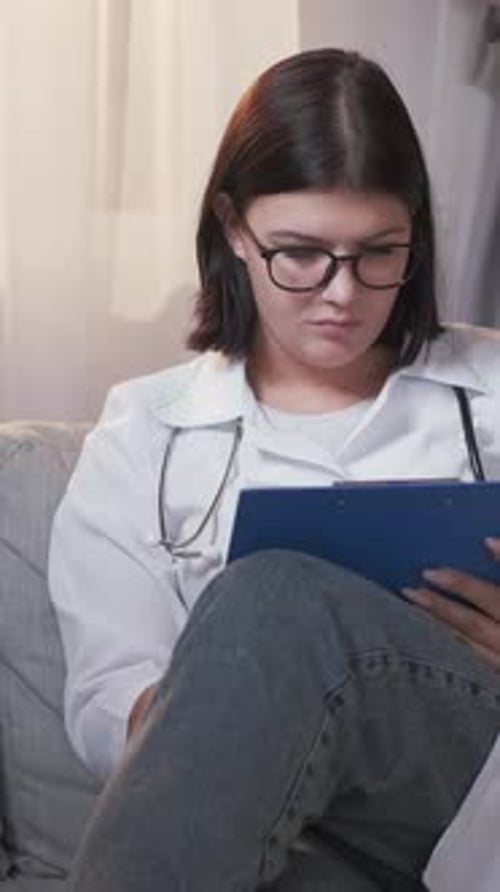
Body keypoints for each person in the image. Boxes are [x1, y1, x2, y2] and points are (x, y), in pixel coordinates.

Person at [48, 48, 500, 892]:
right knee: (267, 629)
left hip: (471, 781)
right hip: (281, 816)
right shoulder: (144, 429)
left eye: (379, 252)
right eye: (300, 253)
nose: (341, 292)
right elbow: (109, 700)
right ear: (231, 227)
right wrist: (238, 699)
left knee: (275, 597)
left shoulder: (495, 387)